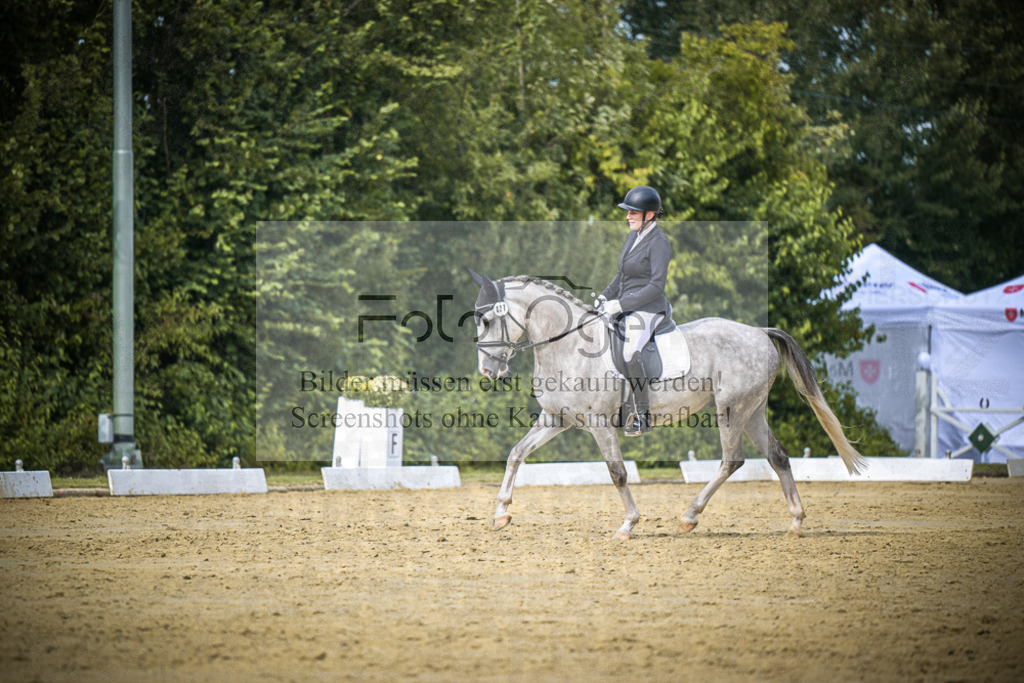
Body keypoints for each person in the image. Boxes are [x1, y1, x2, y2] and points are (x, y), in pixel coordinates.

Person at [597, 185, 672, 436]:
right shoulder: (633, 236)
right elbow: (621, 275)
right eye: (628, 211)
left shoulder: (659, 243)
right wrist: (605, 296)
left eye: (633, 212)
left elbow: (656, 286)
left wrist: (621, 304)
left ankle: (642, 414)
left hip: (649, 308)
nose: (628, 216)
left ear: (649, 215)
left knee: (630, 351)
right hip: (625, 305)